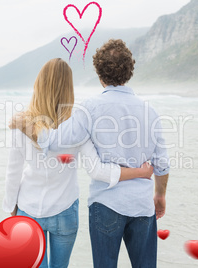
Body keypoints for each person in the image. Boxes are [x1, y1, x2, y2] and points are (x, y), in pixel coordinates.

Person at [2, 58, 154, 268]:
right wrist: (140, 172)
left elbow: (13, 174)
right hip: (65, 210)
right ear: (69, 89)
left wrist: (12, 209)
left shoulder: (21, 124)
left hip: (28, 209)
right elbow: (97, 170)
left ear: (38, 85)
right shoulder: (77, 124)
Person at [38, 40, 170, 268]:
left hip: (106, 203)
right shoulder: (150, 111)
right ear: (129, 72)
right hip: (142, 204)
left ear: (100, 74)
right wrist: (160, 195)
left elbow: (56, 142)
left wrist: (34, 125)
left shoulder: (90, 108)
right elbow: (162, 163)